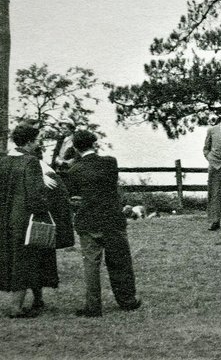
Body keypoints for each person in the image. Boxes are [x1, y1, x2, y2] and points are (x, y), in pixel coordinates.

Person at [64, 130, 141, 317]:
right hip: (112, 219)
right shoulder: (110, 163)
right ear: (94, 144)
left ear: (75, 147)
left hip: (88, 220)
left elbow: (72, 195)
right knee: (120, 261)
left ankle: (93, 305)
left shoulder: (74, 170)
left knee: (91, 265)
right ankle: (127, 300)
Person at [0, 123, 59, 318]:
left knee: (21, 258)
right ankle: (16, 307)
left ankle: (38, 299)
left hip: (5, 217)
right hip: (26, 218)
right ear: (29, 141)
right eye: (37, 140)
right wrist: (46, 209)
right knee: (26, 260)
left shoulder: (4, 161)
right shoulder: (31, 162)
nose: (39, 143)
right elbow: (35, 195)